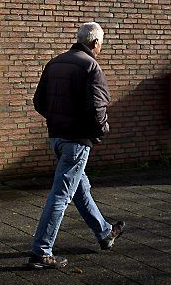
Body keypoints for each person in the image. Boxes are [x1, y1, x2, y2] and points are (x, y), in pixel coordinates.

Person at [28, 22, 125, 269]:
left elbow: (39, 102)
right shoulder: (90, 66)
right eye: (101, 44)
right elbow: (98, 106)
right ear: (94, 43)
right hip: (77, 141)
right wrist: (100, 132)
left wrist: (57, 118)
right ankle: (41, 252)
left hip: (57, 137)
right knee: (61, 196)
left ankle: (104, 233)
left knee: (80, 188)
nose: (100, 48)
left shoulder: (56, 63)